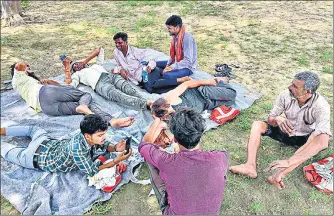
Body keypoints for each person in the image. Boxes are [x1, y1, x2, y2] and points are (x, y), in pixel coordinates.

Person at [229, 71, 331, 189]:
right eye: (292, 83)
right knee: (257, 124)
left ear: (307, 92)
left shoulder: (321, 106)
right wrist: (278, 119)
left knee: (315, 140)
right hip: (285, 132)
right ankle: (250, 166)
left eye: (295, 86)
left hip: (305, 138)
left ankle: (278, 176)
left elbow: (323, 142)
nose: (289, 87)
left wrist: (290, 161)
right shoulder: (285, 95)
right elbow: (271, 119)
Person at [139, 108, 229, 215]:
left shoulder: (165, 161)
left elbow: (143, 146)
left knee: (149, 158)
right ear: (200, 134)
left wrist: (157, 121)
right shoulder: (221, 157)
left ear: (174, 140)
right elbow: (222, 154)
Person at [0, 114, 132, 176]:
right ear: (87, 136)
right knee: (6, 151)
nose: (104, 138)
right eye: (100, 135)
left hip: (46, 142)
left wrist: (115, 148)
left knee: (32, 129)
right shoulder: (78, 149)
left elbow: (103, 144)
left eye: (104, 133)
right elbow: (92, 171)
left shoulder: (87, 136)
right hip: (34, 158)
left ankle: (3, 130)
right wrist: (116, 160)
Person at [11, 62, 133, 128]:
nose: (28, 67)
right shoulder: (17, 79)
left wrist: (48, 81)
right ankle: (87, 107)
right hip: (46, 93)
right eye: (27, 67)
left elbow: (59, 86)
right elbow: (19, 65)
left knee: (85, 108)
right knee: (85, 96)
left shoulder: (29, 83)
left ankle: (111, 121)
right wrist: (67, 67)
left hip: (46, 108)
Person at [61, 47, 151, 109]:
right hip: (100, 84)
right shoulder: (77, 74)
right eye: (74, 67)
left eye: (77, 63)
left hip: (110, 76)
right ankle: (145, 104)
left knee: (128, 89)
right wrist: (67, 68)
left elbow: (100, 50)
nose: (76, 66)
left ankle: (147, 100)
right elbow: (70, 84)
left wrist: (85, 61)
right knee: (119, 96)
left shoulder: (96, 65)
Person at [112, 32, 191, 94]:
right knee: (151, 89)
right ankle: (164, 74)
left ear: (126, 42)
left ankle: (180, 79)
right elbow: (118, 64)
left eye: (120, 43)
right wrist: (121, 69)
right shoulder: (116, 52)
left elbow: (151, 60)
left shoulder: (135, 51)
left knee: (152, 85)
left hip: (145, 72)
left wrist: (149, 66)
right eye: (116, 43)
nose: (117, 45)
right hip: (138, 79)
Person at [151, 77, 236, 115]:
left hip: (202, 92)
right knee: (230, 102)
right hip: (206, 104)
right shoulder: (163, 115)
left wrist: (208, 82)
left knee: (232, 94)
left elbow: (187, 84)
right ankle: (220, 88)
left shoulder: (170, 97)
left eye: (168, 110)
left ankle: (219, 81)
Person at [161, 15, 197, 79]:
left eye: (169, 28)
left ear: (177, 27)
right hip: (177, 62)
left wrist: (172, 67)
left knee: (166, 75)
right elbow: (173, 56)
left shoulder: (187, 38)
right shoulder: (175, 36)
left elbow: (188, 61)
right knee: (154, 64)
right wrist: (168, 65)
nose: (168, 30)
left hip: (187, 68)